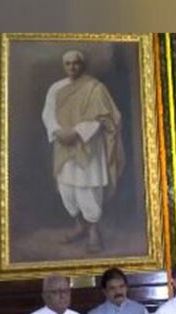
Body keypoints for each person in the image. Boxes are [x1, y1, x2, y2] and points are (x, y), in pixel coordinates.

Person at [42, 49, 125, 253]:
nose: (72, 67)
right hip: (63, 145)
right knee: (66, 190)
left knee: (87, 189)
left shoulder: (95, 88)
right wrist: (57, 131)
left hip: (89, 146)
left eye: (76, 63)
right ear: (64, 66)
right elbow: (48, 113)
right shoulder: (56, 88)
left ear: (83, 65)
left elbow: (105, 117)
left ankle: (93, 231)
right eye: (68, 64)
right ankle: (79, 225)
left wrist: (78, 132)